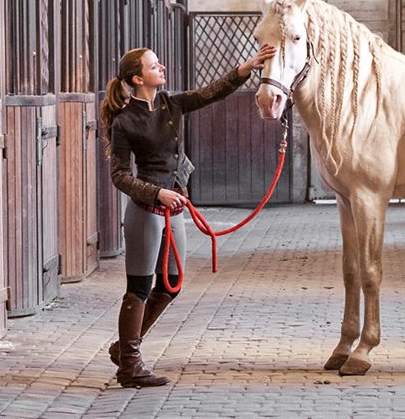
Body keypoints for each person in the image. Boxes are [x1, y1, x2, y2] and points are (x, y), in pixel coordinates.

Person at [99, 43, 277, 388]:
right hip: (147, 211)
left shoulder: (170, 104)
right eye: (154, 65)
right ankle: (129, 366)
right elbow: (119, 175)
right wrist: (157, 193)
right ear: (138, 78)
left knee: (169, 286)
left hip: (173, 209)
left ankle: (123, 349)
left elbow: (211, 93)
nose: (161, 67)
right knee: (139, 288)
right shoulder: (124, 121)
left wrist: (247, 67)